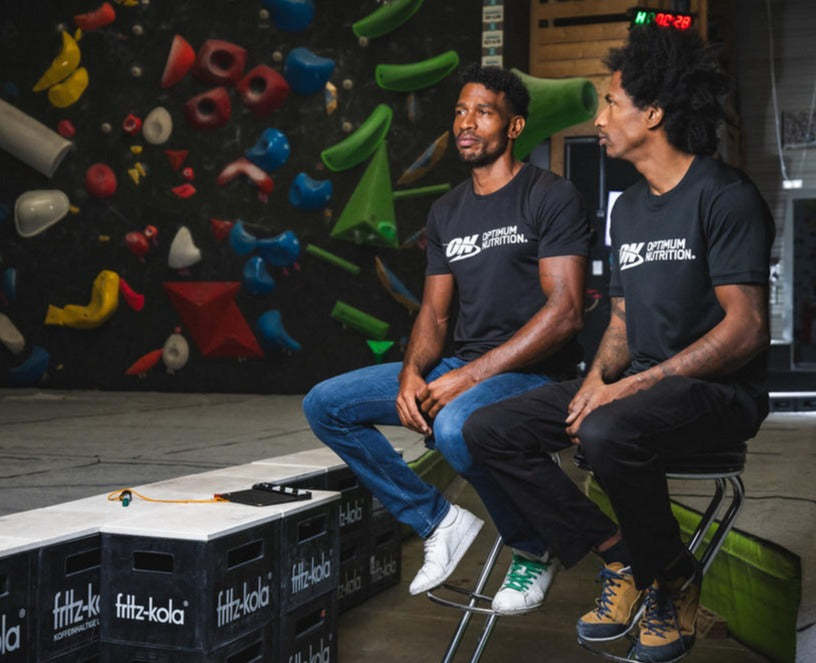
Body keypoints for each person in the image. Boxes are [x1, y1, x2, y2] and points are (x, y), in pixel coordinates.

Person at [464, 23, 774, 663]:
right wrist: (595, 383)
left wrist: (628, 388)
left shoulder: (725, 196)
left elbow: (744, 328)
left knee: (608, 432)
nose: (600, 118)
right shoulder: (627, 208)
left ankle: (674, 578)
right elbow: (624, 323)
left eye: (611, 102)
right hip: (641, 388)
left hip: (717, 393)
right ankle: (624, 557)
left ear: (653, 113)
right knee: (489, 430)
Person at [303, 63, 591, 613]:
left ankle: (533, 549)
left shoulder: (551, 196)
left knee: (458, 425)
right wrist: (413, 372)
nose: (466, 122)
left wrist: (465, 378)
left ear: (514, 126)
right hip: (462, 366)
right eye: (460, 111)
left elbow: (565, 314)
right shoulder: (446, 212)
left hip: (535, 377)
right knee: (326, 405)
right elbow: (434, 315)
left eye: (483, 112)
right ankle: (438, 519)